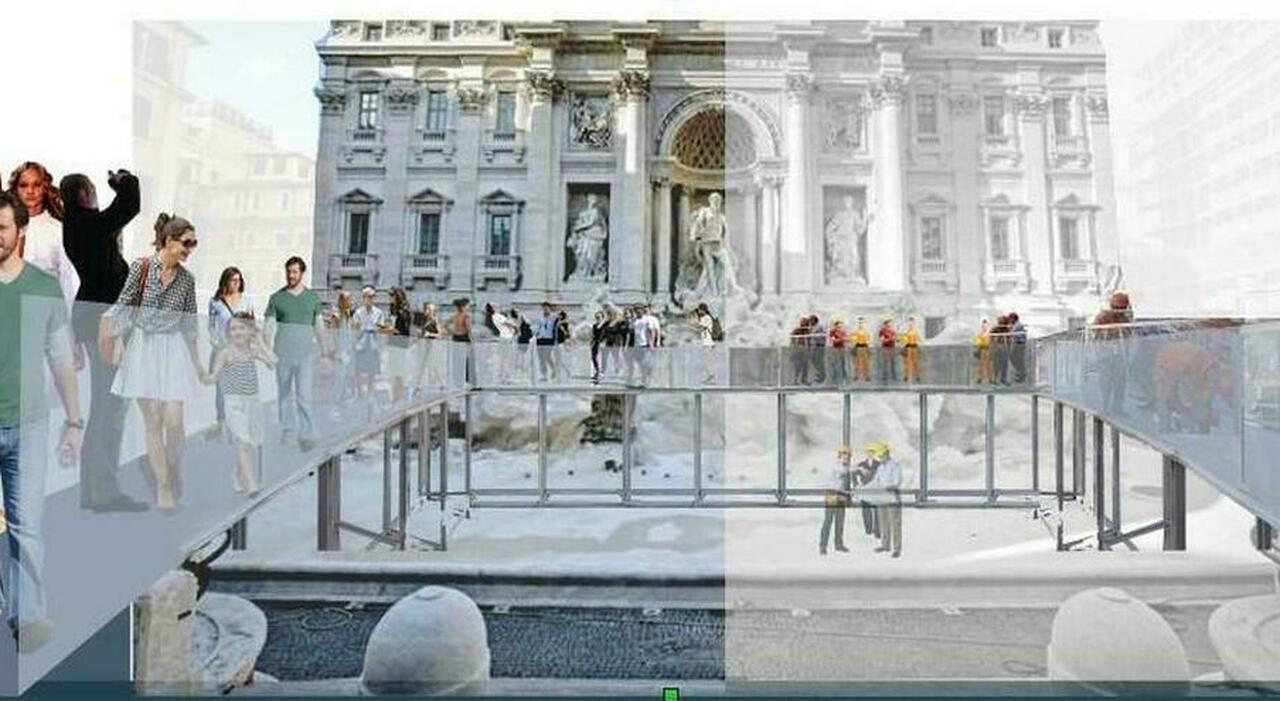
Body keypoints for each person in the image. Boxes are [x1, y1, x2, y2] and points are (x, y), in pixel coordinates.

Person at [0, 190, 85, 651]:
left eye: (1, 229)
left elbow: (60, 359)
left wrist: (74, 422)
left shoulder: (41, 287)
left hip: (29, 422)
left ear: (20, 233)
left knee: (27, 525)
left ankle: (28, 618)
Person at [102, 213, 209, 512]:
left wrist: (198, 364)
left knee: (174, 422)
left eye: (194, 243)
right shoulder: (142, 267)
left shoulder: (188, 280)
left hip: (172, 349)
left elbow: (190, 327)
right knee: (153, 421)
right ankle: (163, 486)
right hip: (143, 348)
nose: (190, 249)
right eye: (187, 243)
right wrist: (120, 339)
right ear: (169, 240)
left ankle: (171, 470)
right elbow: (123, 304)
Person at [60, 168, 144, 512]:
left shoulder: (78, 226)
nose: (96, 196)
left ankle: (95, 491)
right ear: (83, 195)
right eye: (93, 191)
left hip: (99, 321)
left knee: (106, 407)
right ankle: (103, 492)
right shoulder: (86, 224)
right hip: (106, 323)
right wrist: (124, 182)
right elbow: (128, 207)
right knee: (111, 408)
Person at [263, 256, 327, 452]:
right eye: (288, 272)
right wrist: (267, 353)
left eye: (294, 272)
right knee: (283, 394)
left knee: (303, 395)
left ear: (302, 273)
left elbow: (319, 327)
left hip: (306, 354)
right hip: (283, 354)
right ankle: (288, 431)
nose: (291, 275)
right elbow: (269, 328)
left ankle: (307, 433)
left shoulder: (312, 299)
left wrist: (325, 353)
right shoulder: (277, 298)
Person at [208, 313, 276, 496]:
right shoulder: (226, 353)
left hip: (252, 401)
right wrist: (206, 376)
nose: (237, 332)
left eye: (241, 328)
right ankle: (251, 484)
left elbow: (273, 362)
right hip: (234, 403)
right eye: (233, 329)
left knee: (250, 442)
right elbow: (213, 375)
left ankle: (237, 475)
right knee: (242, 441)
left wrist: (261, 342)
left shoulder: (252, 350)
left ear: (249, 331)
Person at [10, 162, 78, 307]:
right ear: (15, 189)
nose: (30, 191)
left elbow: (66, 281)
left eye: (37, 185)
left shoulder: (58, 230)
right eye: (23, 185)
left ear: (45, 188)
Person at [207, 267, 252, 438]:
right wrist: (215, 342)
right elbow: (211, 326)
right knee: (221, 390)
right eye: (233, 280)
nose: (236, 283)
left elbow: (251, 325)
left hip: (241, 352)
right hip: (222, 351)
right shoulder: (215, 302)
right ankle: (222, 425)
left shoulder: (246, 301)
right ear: (225, 281)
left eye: (238, 280)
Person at [860, 441, 903, 558]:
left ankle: (897, 549)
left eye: (881, 456)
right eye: (878, 456)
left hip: (892, 497)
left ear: (887, 454)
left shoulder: (895, 465)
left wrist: (886, 486)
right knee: (883, 523)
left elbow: (897, 481)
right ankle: (885, 545)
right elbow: (875, 481)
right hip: (881, 497)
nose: (879, 458)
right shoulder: (880, 467)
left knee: (895, 524)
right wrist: (862, 488)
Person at [352, 287, 391, 403]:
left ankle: (370, 393)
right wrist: (354, 344)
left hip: (373, 342)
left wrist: (381, 347)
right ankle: (360, 394)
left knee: (372, 371)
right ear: (363, 298)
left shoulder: (378, 312)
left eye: (372, 297)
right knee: (359, 370)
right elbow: (354, 329)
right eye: (368, 297)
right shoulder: (358, 312)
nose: (370, 300)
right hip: (361, 341)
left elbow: (382, 329)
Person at [819, 445, 853, 555]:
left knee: (840, 521)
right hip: (832, 494)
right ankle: (823, 546)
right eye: (844, 454)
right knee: (828, 521)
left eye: (848, 455)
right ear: (840, 454)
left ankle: (839, 544)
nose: (846, 457)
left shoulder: (846, 466)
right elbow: (841, 472)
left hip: (841, 494)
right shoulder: (836, 465)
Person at [327, 291, 357, 409]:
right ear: (343, 301)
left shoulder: (348, 315)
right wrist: (336, 352)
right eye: (349, 299)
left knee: (344, 378)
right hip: (339, 353)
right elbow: (332, 335)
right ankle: (332, 406)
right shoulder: (337, 316)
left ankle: (340, 403)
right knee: (337, 380)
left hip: (347, 352)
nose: (351, 302)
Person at [387, 287, 413, 402]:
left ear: (396, 297)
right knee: (398, 372)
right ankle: (398, 397)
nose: (389, 299)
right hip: (401, 342)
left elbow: (394, 329)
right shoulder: (404, 310)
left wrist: (382, 329)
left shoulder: (398, 311)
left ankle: (397, 398)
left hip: (397, 342)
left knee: (396, 371)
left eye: (391, 296)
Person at [413, 301, 441, 393]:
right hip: (423, 345)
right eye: (428, 309)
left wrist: (430, 334)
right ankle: (417, 385)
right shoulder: (422, 321)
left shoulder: (434, 321)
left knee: (433, 366)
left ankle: (437, 385)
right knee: (421, 366)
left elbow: (439, 335)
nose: (430, 311)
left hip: (432, 345)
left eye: (431, 309)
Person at [852, 450, 880, 540]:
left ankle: (878, 531)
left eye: (872, 452)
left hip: (876, 490)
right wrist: (856, 484)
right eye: (869, 452)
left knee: (877, 511)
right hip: (865, 490)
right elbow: (853, 473)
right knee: (866, 509)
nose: (870, 454)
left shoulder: (879, 464)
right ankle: (868, 529)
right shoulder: (862, 464)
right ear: (866, 453)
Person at [447, 298, 472, 385]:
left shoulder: (454, 315)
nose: (469, 307)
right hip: (464, 337)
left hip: (455, 337)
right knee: (466, 359)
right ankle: (466, 380)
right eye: (467, 305)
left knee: (456, 359)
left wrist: (451, 331)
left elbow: (445, 324)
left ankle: (456, 379)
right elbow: (468, 329)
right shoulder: (466, 316)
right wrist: (471, 340)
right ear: (463, 306)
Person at [693, 303, 717, 384]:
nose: (698, 311)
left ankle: (711, 377)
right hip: (707, 343)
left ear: (702, 310)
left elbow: (699, 327)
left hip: (708, 343)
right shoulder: (706, 318)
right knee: (708, 361)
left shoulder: (706, 318)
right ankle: (709, 377)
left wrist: (694, 321)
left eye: (699, 310)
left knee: (708, 361)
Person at [534, 302, 558, 382]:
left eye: (546, 308)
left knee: (547, 356)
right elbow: (539, 327)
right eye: (543, 308)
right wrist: (536, 334)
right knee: (541, 357)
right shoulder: (541, 317)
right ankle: (544, 374)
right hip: (540, 338)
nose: (545, 310)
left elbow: (560, 318)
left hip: (549, 338)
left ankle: (554, 369)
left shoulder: (553, 317)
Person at [789, 316, 811, 385]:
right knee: (797, 366)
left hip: (805, 351)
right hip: (797, 351)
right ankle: (795, 380)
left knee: (805, 366)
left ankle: (804, 379)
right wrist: (795, 347)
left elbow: (809, 340)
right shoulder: (797, 330)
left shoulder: (807, 331)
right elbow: (792, 338)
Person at [828, 317, 850, 385]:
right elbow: (833, 340)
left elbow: (847, 339)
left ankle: (844, 378)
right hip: (836, 349)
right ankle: (835, 378)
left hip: (842, 348)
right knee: (836, 363)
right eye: (839, 325)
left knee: (843, 363)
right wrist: (841, 339)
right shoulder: (832, 332)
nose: (840, 326)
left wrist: (844, 339)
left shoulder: (843, 332)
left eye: (841, 325)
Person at [1008, 312, 1028, 383]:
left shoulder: (1018, 325)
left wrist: (1010, 331)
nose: (1009, 321)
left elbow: (1014, 334)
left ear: (1013, 318)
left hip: (1019, 345)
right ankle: (1020, 374)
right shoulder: (1015, 325)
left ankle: (1021, 374)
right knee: (1016, 359)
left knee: (1015, 358)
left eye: (1010, 319)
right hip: (1017, 344)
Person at [972, 318, 993, 384]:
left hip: (988, 349)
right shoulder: (979, 334)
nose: (984, 327)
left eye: (985, 325)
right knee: (981, 365)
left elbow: (991, 341)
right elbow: (975, 342)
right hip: (982, 350)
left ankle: (990, 378)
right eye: (983, 326)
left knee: (989, 365)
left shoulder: (989, 334)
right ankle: (980, 378)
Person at [992, 314, 1012, 385]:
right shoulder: (995, 329)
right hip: (997, 350)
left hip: (1005, 350)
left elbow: (1009, 339)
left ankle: (1003, 379)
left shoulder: (1007, 330)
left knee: (1004, 365)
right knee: (996, 365)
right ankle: (995, 379)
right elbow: (992, 338)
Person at [877, 316, 898, 382]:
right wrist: (890, 339)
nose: (889, 324)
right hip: (885, 348)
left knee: (893, 362)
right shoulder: (882, 331)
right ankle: (885, 376)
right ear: (885, 323)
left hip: (892, 347)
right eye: (888, 323)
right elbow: (882, 340)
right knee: (885, 362)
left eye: (890, 323)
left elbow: (896, 339)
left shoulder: (893, 330)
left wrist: (895, 339)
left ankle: (894, 376)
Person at [902, 316, 922, 383]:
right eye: (909, 322)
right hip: (908, 347)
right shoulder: (906, 330)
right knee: (907, 363)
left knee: (915, 363)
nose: (911, 323)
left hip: (914, 347)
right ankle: (906, 376)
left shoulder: (916, 331)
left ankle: (917, 376)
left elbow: (919, 339)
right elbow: (904, 339)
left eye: (912, 322)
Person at [808, 314, 828, 385]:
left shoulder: (820, 327)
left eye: (811, 320)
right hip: (814, 346)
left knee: (818, 360)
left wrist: (818, 340)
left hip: (819, 346)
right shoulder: (812, 327)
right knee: (813, 360)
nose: (810, 322)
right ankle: (819, 373)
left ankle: (822, 375)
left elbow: (823, 335)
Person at [852, 316, 872, 382]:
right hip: (858, 346)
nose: (861, 324)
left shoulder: (866, 331)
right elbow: (853, 339)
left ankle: (867, 376)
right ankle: (856, 376)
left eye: (862, 322)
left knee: (866, 362)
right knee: (857, 362)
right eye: (859, 322)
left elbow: (868, 339)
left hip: (865, 346)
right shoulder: (855, 331)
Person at [590, 311, 608, 383]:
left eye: (599, 317)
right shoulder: (594, 326)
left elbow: (606, 335)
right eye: (596, 317)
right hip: (596, 342)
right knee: (594, 357)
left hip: (602, 343)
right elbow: (593, 335)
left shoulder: (605, 326)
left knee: (602, 358)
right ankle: (597, 370)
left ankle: (601, 372)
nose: (597, 319)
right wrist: (592, 342)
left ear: (602, 317)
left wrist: (604, 341)